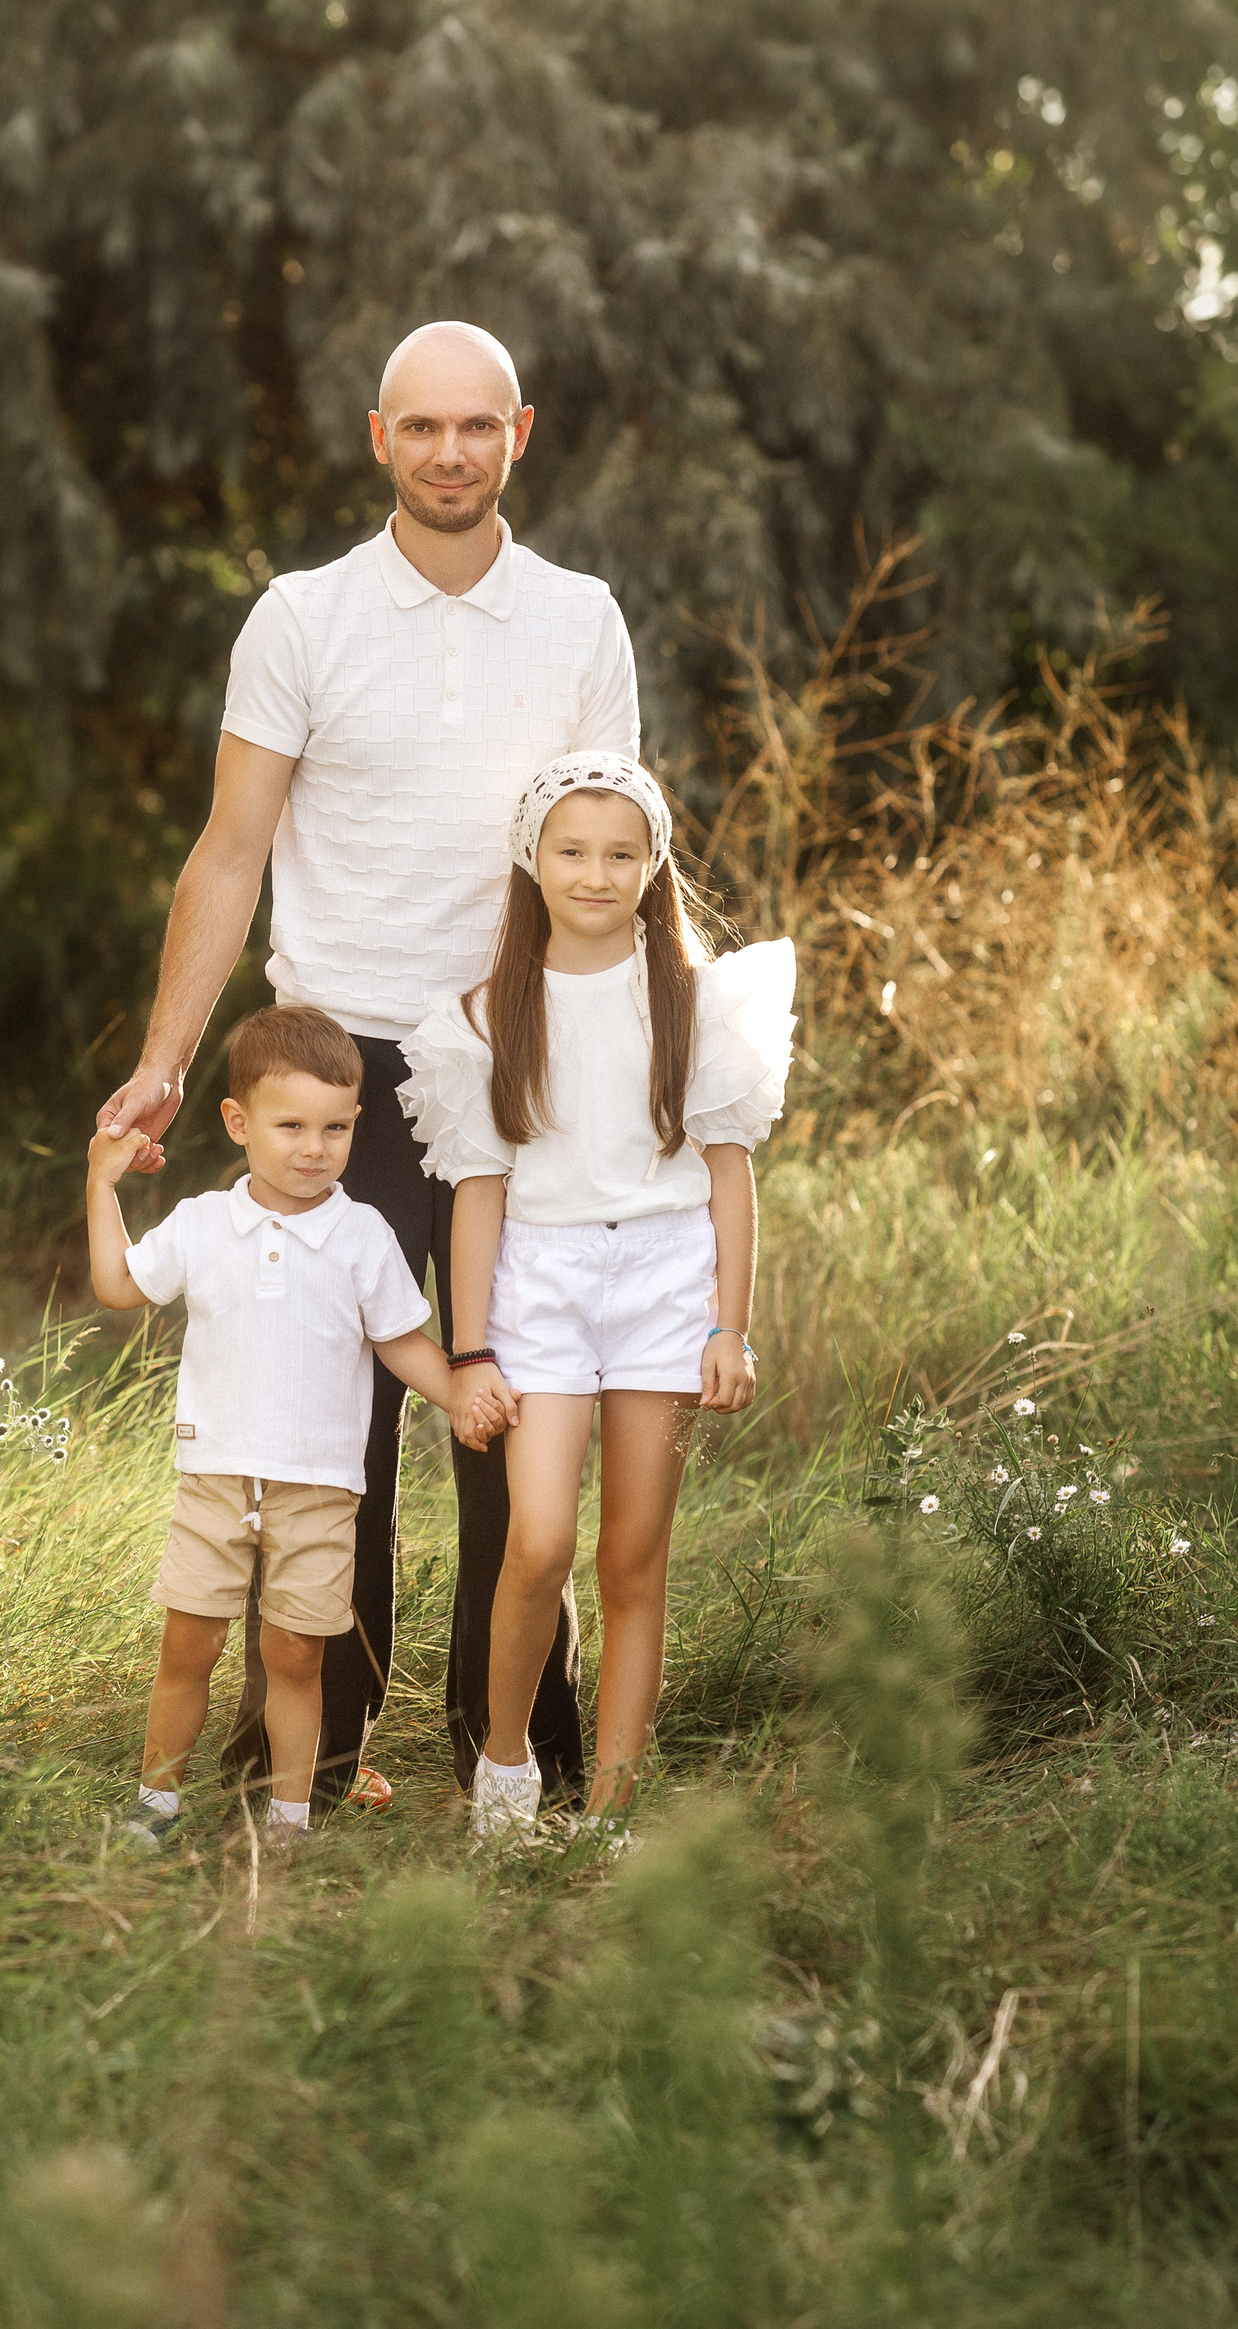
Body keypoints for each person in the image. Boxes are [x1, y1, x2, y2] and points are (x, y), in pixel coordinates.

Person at [95, 320, 639, 1812]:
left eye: (478, 426)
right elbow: (231, 850)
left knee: (511, 1419)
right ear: (380, 438)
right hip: (335, 1078)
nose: (451, 452)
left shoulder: (583, 619)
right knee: (331, 1435)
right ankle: (312, 1757)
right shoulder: (300, 616)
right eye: (423, 427)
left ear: (519, 434)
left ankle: (518, 1751)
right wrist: (165, 1060)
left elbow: (612, 863)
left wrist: (633, 1071)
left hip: (516, 1075)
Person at [398, 751, 795, 1838]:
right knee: (538, 1543)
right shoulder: (487, 1016)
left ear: (653, 864)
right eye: (572, 850)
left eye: (621, 854)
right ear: (533, 859)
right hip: (542, 1283)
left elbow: (728, 1177)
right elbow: (477, 1198)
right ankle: (505, 1763)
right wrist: (470, 1350)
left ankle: (613, 1807)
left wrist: (729, 1326)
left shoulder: (695, 1002)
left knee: (632, 1556)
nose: (595, 873)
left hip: (666, 1280)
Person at [87, 1004, 502, 1848]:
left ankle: (289, 1818)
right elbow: (119, 1286)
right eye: (292, 1127)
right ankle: (156, 1802)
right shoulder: (204, 1223)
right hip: (216, 1477)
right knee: (189, 1644)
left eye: (336, 1128)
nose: (315, 1148)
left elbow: (400, 1341)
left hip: (319, 1488)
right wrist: (101, 1184)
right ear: (238, 1122)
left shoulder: (362, 1235)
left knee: (297, 1655)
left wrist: (460, 1393)